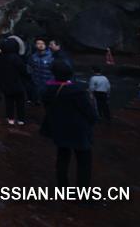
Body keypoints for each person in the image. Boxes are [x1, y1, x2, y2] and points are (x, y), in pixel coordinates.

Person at [40, 60, 97, 188]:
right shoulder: (77, 91)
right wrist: (93, 122)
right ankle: (83, 193)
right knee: (84, 162)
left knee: (62, 158)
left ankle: (62, 187)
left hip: (60, 128)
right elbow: (89, 112)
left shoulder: (48, 90)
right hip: (79, 131)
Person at [0, 39, 28, 125]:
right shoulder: (16, 58)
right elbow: (23, 70)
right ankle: (21, 119)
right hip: (17, 83)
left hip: (5, 83)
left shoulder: (1, 56)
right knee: (20, 102)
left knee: (8, 101)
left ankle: (10, 118)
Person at [28, 37, 54, 105]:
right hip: (36, 83)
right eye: (38, 43)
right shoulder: (33, 56)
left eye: (43, 43)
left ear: (46, 45)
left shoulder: (52, 56)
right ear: (35, 45)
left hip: (48, 83)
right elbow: (30, 68)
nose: (41, 45)